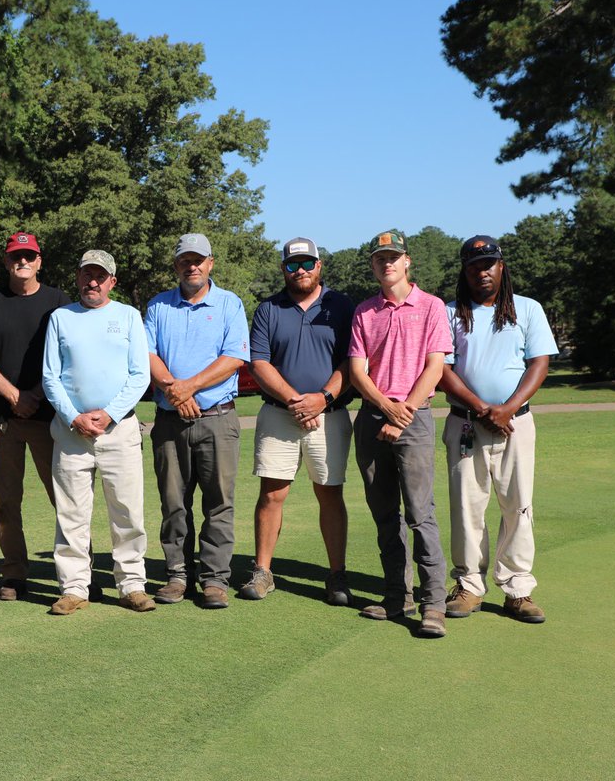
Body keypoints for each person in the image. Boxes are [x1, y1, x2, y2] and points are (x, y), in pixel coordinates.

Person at [439, 235, 558, 624]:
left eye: (488, 264)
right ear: (465, 271)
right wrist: (481, 408)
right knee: (466, 506)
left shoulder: (527, 308)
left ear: (501, 266)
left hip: (515, 423)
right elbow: (441, 369)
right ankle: (469, 586)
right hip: (465, 422)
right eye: (474, 266)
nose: (482, 272)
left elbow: (538, 363)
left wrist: (506, 410)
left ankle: (517, 589)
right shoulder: (449, 312)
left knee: (518, 505)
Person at [240, 237, 356, 606]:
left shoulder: (341, 305)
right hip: (280, 414)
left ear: (319, 266)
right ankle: (263, 572)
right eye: (293, 265)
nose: (300, 270)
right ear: (283, 269)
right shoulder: (269, 309)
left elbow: (352, 362)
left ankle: (336, 575)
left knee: (329, 493)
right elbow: (259, 362)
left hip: (330, 414)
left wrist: (321, 399)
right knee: (272, 494)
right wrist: (296, 401)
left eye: (307, 263)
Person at [348, 229, 452, 638]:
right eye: (380, 258)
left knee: (420, 514)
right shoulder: (365, 311)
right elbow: (357, 372)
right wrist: (384, 406)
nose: (387, 263)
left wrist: (402, 412)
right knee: (384, 515)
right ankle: (397, 597)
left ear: (407, 261)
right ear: (373, 265)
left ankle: (434, 604)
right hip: (372, 418)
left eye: (393, 257)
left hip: (415, 418)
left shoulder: (431, 306)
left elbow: (435, 367)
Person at [41, 249, 154, 615]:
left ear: (112, 282)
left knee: (127, 511)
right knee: (71, 514)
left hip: (119, 429)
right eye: (87, 275)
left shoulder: (128, 316)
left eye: (100, 276)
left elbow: (140, 375)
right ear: (77, 277)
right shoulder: (61, 318)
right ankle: (74, 588)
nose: (92, 282)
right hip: (71, 431)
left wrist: (109, 414)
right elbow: (50, 376)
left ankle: (132, 585)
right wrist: (74, 416)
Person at [145, 233, 250, 609]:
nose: (192, 266)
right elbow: (148, 354)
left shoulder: (229, 303)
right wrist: (175, 392)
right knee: (174, 503)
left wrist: (187, 388)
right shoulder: (158, 305)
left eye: (198, 260)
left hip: (217, 419)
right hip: (170, 421)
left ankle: (215, 578)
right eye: (185, 261)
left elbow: (234, 357)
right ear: (176, 265)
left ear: (210, 263)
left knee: (218, 502)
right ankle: (177, 574)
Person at [0, 232, 71, 602]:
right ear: (6, 261)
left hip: (50, 418)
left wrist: (36, 395)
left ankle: (77, 572)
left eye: (29, 256)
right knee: (4, 502)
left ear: (39, 261)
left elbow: (68, 356)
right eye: (16, 256)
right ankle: (14, 573)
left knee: (66, 498)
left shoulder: (59, 302)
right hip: (2, 419)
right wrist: (15, 396)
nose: (22, 262)